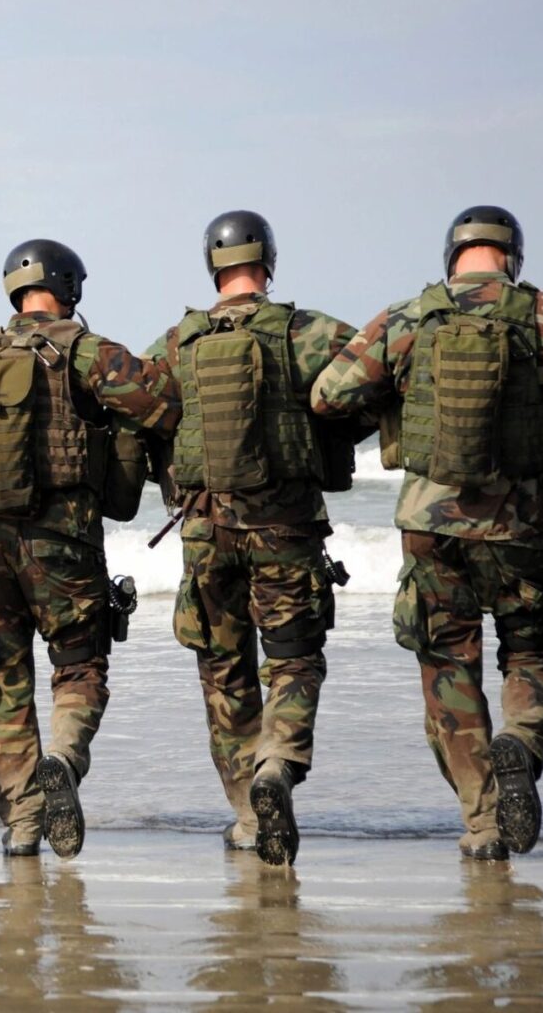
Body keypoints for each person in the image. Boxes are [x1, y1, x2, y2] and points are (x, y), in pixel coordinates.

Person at [312, 206, 543, 861]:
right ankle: (521, 740)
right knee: (530, 651)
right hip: (524, 521)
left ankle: (482, 823)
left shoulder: (407, 318)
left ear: (449, 254)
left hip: (430, 524)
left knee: (447, 664)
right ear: (513, 255)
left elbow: (328, 395)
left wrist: (399, 397)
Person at [145, 210, 361, 866]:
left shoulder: (174, 343)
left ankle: (245, 812)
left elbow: (139, 414)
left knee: (222, 668)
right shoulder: (309, 332)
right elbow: (371, 382)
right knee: (292, 660)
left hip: (205, 530)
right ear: (267, 259)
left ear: (211, 267)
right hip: (285, 524)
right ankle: (278, 764)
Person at [0, 239, 178, 859]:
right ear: (69, 285)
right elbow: (161, 404)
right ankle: (63, 759)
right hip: (66, 538)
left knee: (4, 678)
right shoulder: (85, 352)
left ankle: (22, 822)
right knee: (78, 666)